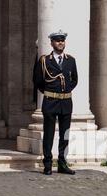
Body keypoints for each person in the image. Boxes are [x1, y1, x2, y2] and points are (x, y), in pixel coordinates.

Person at [33, 30, 78, 176]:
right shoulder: (45, 60)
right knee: (49, 134)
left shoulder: (70, 60)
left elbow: (74, 80)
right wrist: (51, 92)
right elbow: (37, 81)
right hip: (50, 101)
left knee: (64, 134)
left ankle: (62, 163)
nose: (60, 43)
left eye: (62, 41)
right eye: (57, 41)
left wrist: (64, 91)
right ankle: (47, 164)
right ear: (52, 43)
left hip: (65, 102)